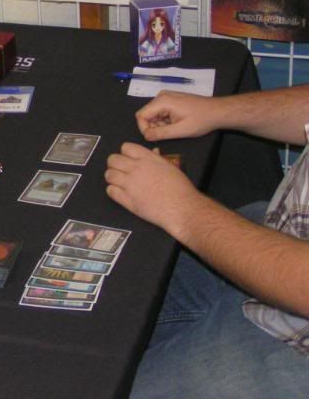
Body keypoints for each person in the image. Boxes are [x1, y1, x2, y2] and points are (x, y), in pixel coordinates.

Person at [105, 85, 309, 396]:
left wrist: (183, 209)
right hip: (284, 237)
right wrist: (219, 111)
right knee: (104, 304)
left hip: (294, 339)